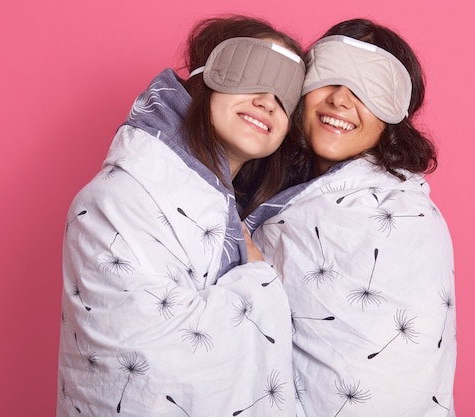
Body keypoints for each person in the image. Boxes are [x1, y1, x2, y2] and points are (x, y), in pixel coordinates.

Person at [57, 15, 305, 416]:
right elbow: (153, 361)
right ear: (205, 79)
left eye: (285, 95)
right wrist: (260, 284)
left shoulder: (243, 216)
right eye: (252, 73)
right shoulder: (121, 196)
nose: (267, 101)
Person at [247, 19, 457, 416]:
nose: (341, 100)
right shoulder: (269, 190)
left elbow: (397, 374)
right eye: (329, 76)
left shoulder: (409, 218)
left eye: (369, 88)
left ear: (394, 117)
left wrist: (253, 270)